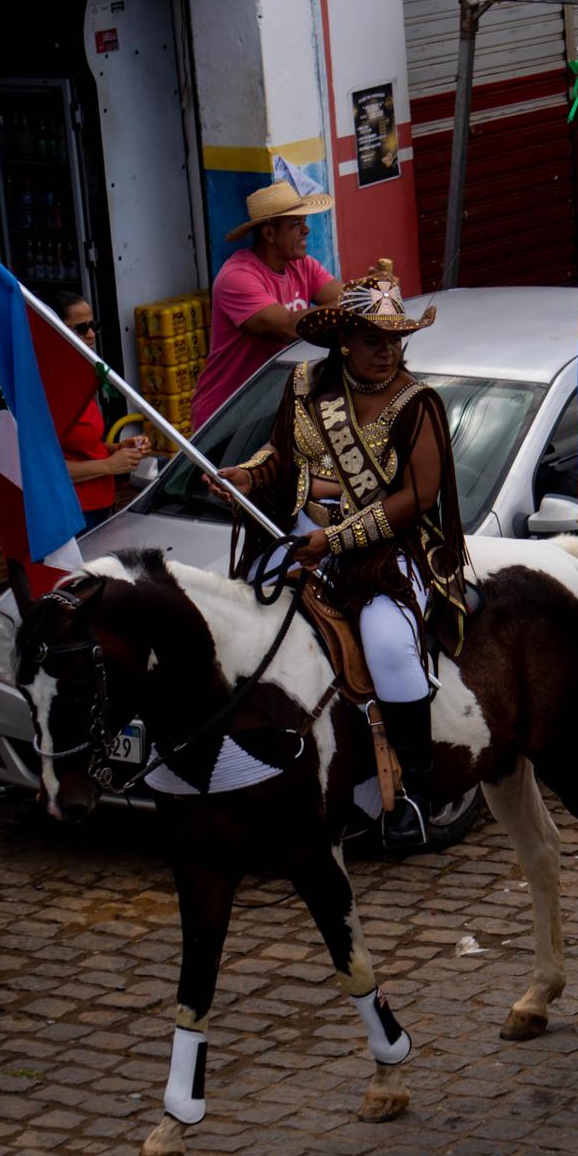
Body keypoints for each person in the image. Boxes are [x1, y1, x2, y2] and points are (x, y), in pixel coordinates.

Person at [206, 277, 468, 850]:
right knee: (239, 625)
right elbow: (281, 453)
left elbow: (418, 497)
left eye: (395, 339)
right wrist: (248, 476)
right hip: (301, 538)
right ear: (344, 340)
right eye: (374, 339)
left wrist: (336, 540)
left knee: (389, 646)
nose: (387, 351)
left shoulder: (417, 403)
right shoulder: (305, 383)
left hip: (384, 553)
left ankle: (414, 796)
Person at [190, 182, 345, 430]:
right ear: (269, 234)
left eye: (304, 222)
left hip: (270, 406)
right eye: (295, 225)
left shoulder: (302, 265)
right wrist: (356, 301)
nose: (306, 230)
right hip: (227, 416)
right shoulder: (237, 277)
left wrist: (368, 294)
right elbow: (286, 327)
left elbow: (343, 296)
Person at [51, 293, 148, 531]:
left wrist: (116, 448)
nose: (91, 334)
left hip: (100, 503)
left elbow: (82, 445)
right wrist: (109, 465)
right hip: (75, 512)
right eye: (81, 328)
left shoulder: (77, 376)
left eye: (93, 325)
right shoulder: (47, 387)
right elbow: (46, 467)